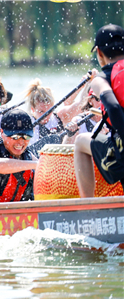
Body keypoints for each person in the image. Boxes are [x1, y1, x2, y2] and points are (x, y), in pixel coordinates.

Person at [75, 24, 124, 198]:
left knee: (80, 142)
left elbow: (113, 107)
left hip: (121, 148)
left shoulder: (100, 80)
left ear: (99, 53)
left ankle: (88, 208)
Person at [26, 78, 84, 154]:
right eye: (41, 111)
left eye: (49, 111)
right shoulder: (27, 123)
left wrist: (85, 84)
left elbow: (81, 104)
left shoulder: (60, 117)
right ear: (32, 109)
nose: (45, 116)